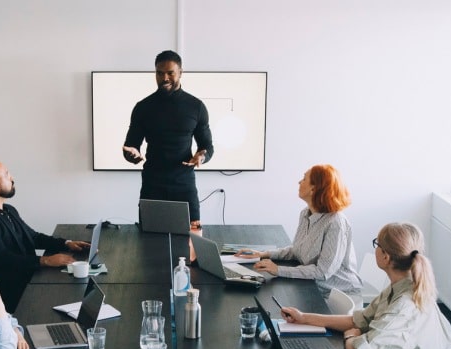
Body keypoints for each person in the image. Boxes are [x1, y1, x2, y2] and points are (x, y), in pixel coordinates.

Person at [280, 222, 451, 349]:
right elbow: (357, 321)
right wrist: (303, 318)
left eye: (377, 244)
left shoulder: (403, 307)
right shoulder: (402, 285)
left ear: (386, 256)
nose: (375, 248)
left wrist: (350, 337)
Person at [0, 159, 89, 310]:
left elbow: (33, 237)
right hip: (11, 293)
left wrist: (66, 243)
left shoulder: (9, 210)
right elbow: (1, 257)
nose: (12, 178)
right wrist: (46, 260)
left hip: (27, 279)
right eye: (6, 175)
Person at [234, 164, 361, 299]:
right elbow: (297, 250)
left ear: (314, 188)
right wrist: (263, 254)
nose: (299, 182)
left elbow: (323, 272)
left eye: (304, 179)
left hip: (337, 295)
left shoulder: (336, 223)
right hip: (312, 286)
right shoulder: (305, 214)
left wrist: (278, 270)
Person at [122, 50, 214, 228]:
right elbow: (131, 146)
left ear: (180, 73)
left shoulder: (196, 107)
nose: (165, 78)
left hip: (184, 186)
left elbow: (207, 146)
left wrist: (202, 156)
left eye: (170, 73)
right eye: (159, 73)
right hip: (152, 184)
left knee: (191, 242)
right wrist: (131, 154)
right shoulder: (143, 107)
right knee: (149, 242)